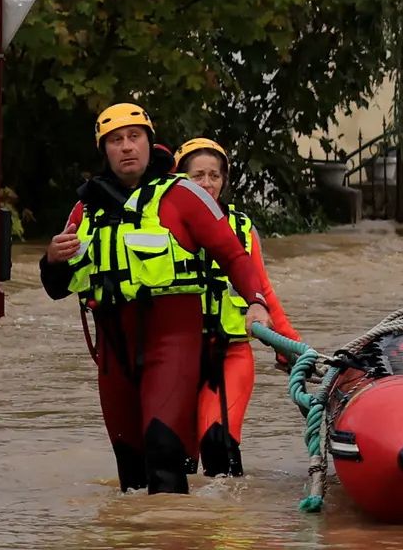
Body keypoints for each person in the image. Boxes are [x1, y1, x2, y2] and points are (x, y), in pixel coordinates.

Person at [41, 103, 273, 494]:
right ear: (105, 150)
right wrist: (51, 258)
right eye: (116, 140)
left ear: (150, 144)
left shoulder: (183, 196)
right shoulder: (85, 209)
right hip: (114, 354)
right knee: (130, 474)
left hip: (171, 344)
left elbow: (234, 254)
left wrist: (256, 301)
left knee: (164, 453)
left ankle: (175, 533)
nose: (127, 147)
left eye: (135, 138)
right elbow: (56, 287)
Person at [175, 137, 301, 478]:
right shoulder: (161, 227)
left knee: (219, 445)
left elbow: (264, 293)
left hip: (230, 354)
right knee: (177, 461)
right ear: (178, 180)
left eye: (214, 176)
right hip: (175, 356)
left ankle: (233, 525)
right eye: (197, 175)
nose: (206, 184)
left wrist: (289, 346)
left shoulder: (243, 229)